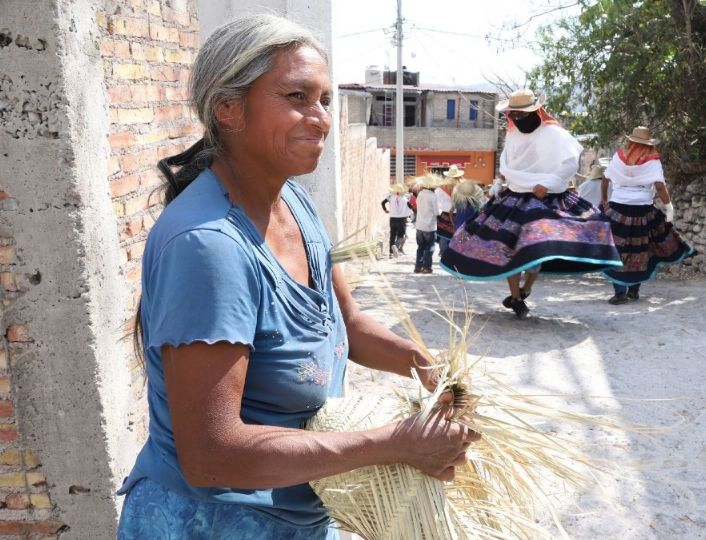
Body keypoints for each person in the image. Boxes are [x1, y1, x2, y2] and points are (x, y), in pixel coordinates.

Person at [117, 15, 479, 539]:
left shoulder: (297, 205)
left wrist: (434, 373)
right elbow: (212, 457)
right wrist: (395, 443)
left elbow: (347, 324)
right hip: (214, 523)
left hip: (293, 516)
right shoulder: (209, 248)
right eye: (296, 97)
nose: (320, 118)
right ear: (228, 108)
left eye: (325, 100)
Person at [440, 89, 622, 319]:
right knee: (508, 249)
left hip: (546, 197)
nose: (516, 119)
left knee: (539, 246)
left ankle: (526, 289)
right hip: (514, 198)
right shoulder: (513, 134)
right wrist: (499, 182)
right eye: (513, 114)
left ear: (535, 111)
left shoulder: (554, 134)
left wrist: (547, 183)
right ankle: (516, 297)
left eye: (520, 114)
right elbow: (507, 165)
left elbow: (568, 164)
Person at [600, 126, 694, 305]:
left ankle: (619, 292)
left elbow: (605, 178)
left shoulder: (619, 157)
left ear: (631, 141)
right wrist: (669, 207)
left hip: (617, 209)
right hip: (642, 210)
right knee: (641, 249)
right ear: (648, 144)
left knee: (617, 248)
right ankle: (634, 290)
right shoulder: (653, 161)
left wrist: (604, 198)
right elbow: (659, 186)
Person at [413, 174, 442, 274]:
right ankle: (427, 267)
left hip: (419, 225)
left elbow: (418, 206)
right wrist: (441, 210)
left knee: (420, 247)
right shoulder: (433, 196)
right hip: (430, 226)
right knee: (430, 247)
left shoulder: (420, 194)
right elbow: (437, 212)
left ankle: (418, 267)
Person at [435, 166, 461, 255]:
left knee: (444, 233)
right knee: (455, 234)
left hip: (444, 213)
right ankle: (450, 253)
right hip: (457, 214)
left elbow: (436, 201)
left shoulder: (440, 188)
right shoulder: (461, 187)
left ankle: (442, 252)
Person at [381, 183, 411, 257]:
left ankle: (391, 253)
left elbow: (383, 203)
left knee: (392, 235)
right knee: (401, 235)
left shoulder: (390, 196)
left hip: (392, 218)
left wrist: (385, 210)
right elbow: (410, 207)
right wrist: (409, 215)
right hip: (401, 219)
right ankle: (396, 246)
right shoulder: (405, 198)